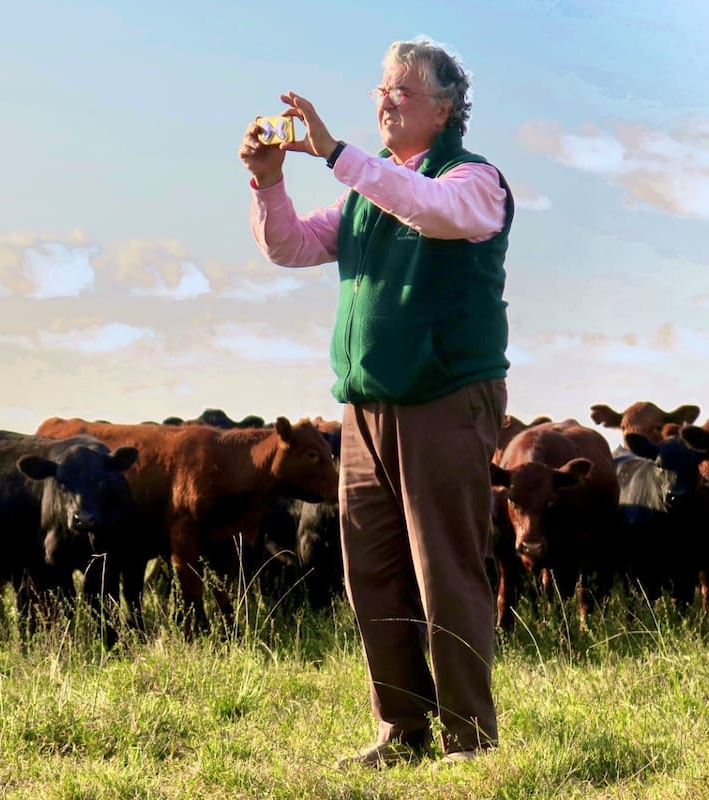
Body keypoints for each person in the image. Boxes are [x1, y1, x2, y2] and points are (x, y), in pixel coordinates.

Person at [239, 38, 513, 767]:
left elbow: (427, 210)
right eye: (382, 89)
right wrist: (269, 182)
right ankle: (403, 730)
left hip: (444, 398)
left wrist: (335, 153)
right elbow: (291, 247)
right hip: (364, 407)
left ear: (445, 109)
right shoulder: (366, 193)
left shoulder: (473, 181)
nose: (386, 101)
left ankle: (470, 739)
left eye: (403, 90)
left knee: (445, 570)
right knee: (372, 571)